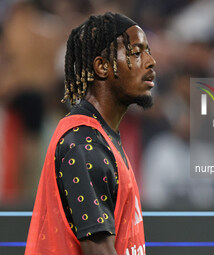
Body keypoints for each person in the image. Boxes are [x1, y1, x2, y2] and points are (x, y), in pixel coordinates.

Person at [25, 12, 156, 255]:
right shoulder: (84, 143)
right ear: (102, 67)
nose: (150, 61)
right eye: (136, 53)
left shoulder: (99, 136)